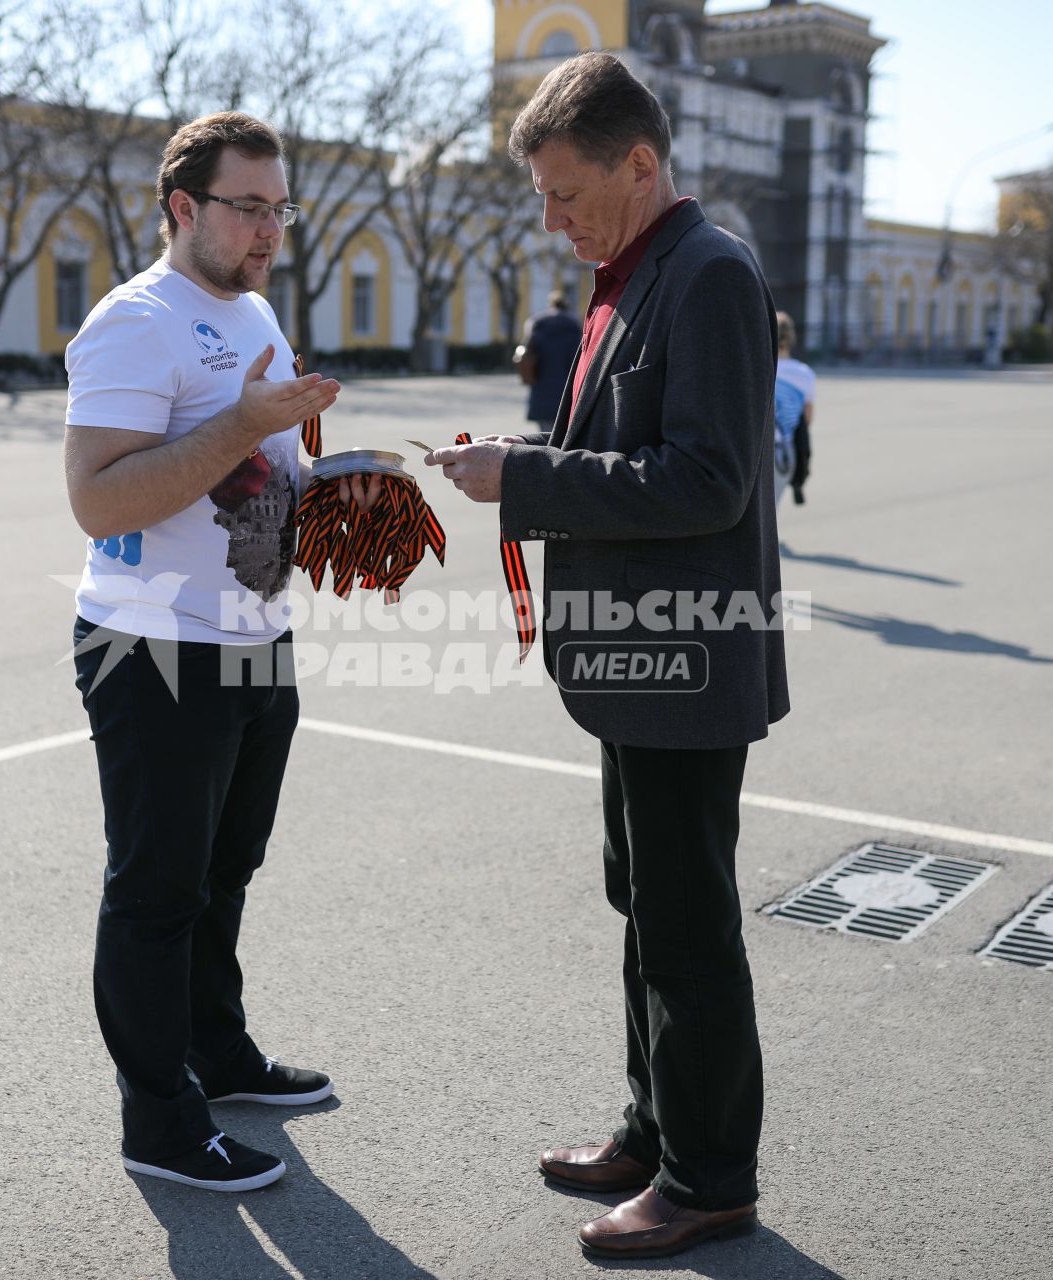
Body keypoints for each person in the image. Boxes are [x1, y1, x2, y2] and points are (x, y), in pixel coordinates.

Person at [427, 53, 788, 1261]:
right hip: (640, 668)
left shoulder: (710, 274)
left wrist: (524, 478)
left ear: (641, 164)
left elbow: (707, 478)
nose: (552, 216)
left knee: (689, 922)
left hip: (687, 663)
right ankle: (655, 1126)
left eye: (565, 191)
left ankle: (709, 1177)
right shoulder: (634, 273)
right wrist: (524, 452)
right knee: (645, 904)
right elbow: (625, 443)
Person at [62, 111, 379, 1194]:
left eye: (280, 209)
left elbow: (254, 469)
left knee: (226, 869)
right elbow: (97, 496)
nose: (270, 230)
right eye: (250, 207)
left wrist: (332, 490)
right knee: (156, 889)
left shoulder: (255, 310)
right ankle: (157, 1115)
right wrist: (244, 425)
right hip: (153, 647)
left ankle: (217, 1051)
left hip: (253, 638)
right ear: (184, 208)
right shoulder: (134, 322)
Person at [522, 289, 583, 428]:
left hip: (541, 388)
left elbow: (526, 352)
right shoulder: (574, 326)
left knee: (544, 435)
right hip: (567, 392)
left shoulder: (536, 324)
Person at [773, 310, 816, 505]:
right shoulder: (804, 373)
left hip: (758, 450)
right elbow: (806, 418)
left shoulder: (760, 368)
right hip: (786, 451)